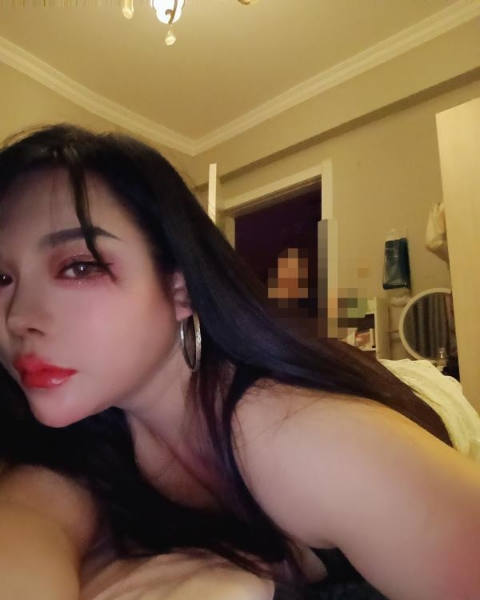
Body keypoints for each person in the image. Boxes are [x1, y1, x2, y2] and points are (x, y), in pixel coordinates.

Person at [0, 124, 479, 600]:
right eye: (1, 278)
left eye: (79, 266)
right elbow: (29, 520)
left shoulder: (307, 438)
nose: (18, 318)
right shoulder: (89, 434)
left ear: (181, 289)